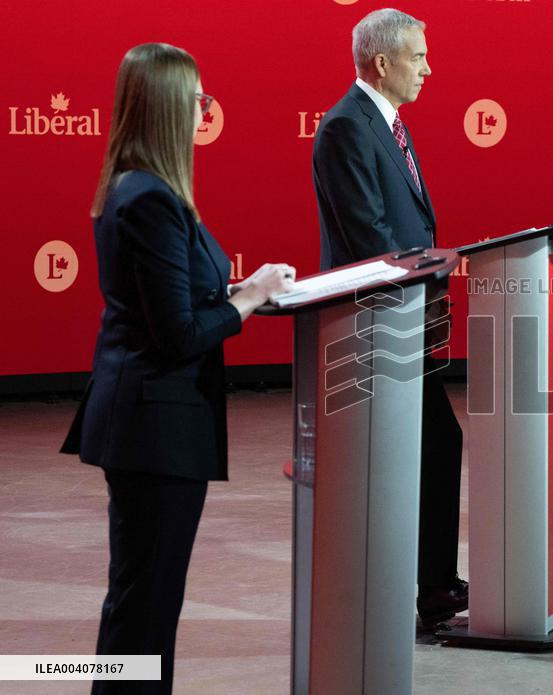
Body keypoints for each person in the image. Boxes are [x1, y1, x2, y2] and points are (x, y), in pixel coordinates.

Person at [60, 43, 295, 694]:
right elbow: (179, 334)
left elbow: (179, 302)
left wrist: (240, 288)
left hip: (151, 424)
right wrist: (249, 298)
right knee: (144, 606)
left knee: (144, 602)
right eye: (198, 99)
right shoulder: (150, 199)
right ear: (169, 107)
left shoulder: (145, 190)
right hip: (154, 429)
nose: (205, 110)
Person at [311, 8, 466, 627]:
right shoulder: (348, 128)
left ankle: (430, 587)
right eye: (419, 57)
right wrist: (421, 278)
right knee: (429, 445)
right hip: (375, 324)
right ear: (383, 63)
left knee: (432, 445)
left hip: (404, 319)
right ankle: (426, 590)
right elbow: (369, 239)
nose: (429, 68)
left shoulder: (385, 124)